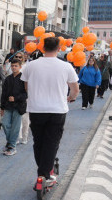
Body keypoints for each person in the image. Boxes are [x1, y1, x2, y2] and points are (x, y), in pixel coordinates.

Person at [21, 37, 79, 187]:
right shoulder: (66, 66)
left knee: (38, 142)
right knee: (52, 142)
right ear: (59, 48)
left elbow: (26, 87)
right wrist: (70, 98)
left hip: (36, 109)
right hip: (57, 110)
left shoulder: (30, 66)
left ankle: (43, 172)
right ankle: (44, 174)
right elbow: (75, 89)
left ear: (42, 48)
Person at [0, 59, 27, 156]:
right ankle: (10, 143)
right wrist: (1, 107)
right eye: (12, 66)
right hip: (8, 106)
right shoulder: (8, 79)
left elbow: (26, 94)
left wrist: (15, 98)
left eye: (16, 66)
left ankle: (12, 146)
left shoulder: (24, 79)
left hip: (19, 107)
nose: (14, 67)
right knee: (5, 124)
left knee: (15, 127)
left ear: (20, 67)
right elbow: (3, 94)